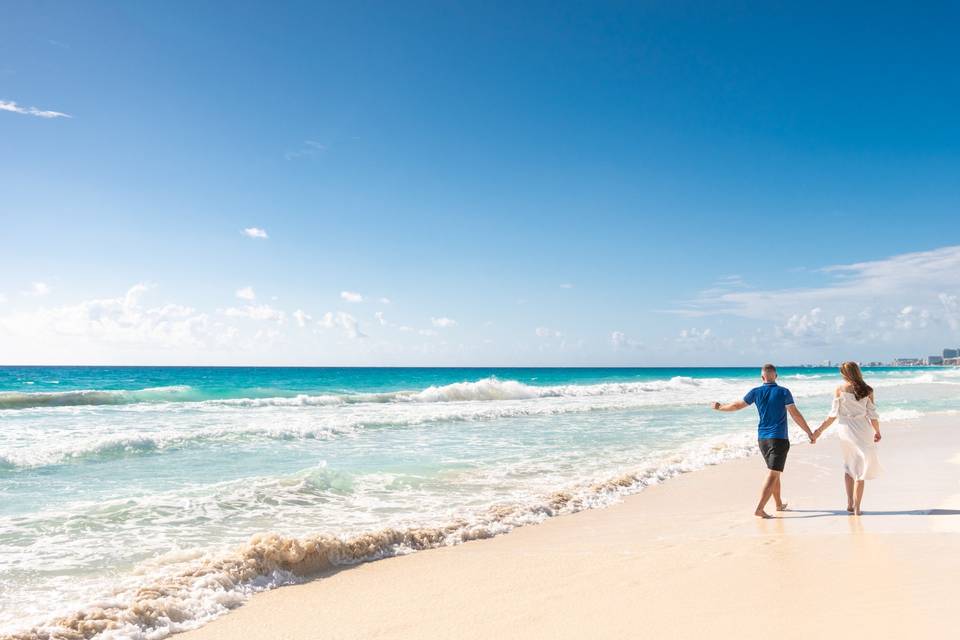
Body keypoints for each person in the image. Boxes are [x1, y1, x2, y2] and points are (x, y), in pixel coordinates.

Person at [713, 363, 816, 518]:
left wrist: (720, 407)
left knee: (775, 472)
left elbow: (736, 406)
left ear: (762, 377)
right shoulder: (783, 392)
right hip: (779, 438)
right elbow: (795, 414)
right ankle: (759, 508)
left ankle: (779, 504)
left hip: (762, 440)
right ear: (776, 375)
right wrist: (809, 432)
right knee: (773, 473)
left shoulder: (756, 392)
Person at [811, 362, 881, 516]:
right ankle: (856, 508)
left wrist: (818, 431)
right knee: (860, 469)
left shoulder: (839, 389)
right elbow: (872, 415)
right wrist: (877, 431)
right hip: (863, 429)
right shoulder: (868, 390)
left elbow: (832, 415)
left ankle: (850, 503)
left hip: (845, 430)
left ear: (845, 374)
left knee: (849, 466)